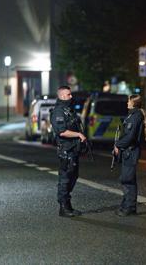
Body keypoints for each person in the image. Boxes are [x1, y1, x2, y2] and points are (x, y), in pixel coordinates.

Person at [50, 85, 86, 217]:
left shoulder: (68, 110)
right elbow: (62, 131)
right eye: (69, 94)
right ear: (62, 96)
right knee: (65, 178)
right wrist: (78, 135)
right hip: (66, 150)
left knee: (73, 176)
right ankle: (63, 207)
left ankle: (67, 205)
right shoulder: (59, 111)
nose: (71, 96)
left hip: (73, 149)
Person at [114, 94, 146, 217]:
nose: (127, 103)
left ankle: (129, 208)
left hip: (131, 151)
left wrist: (118, 145)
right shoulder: (133, 115)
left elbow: (130, 137)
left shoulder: (135, 117)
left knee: (127, 180)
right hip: (129, 151)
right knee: (127, 179)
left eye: (128, 101)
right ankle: (127, 205)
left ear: (133, 103)